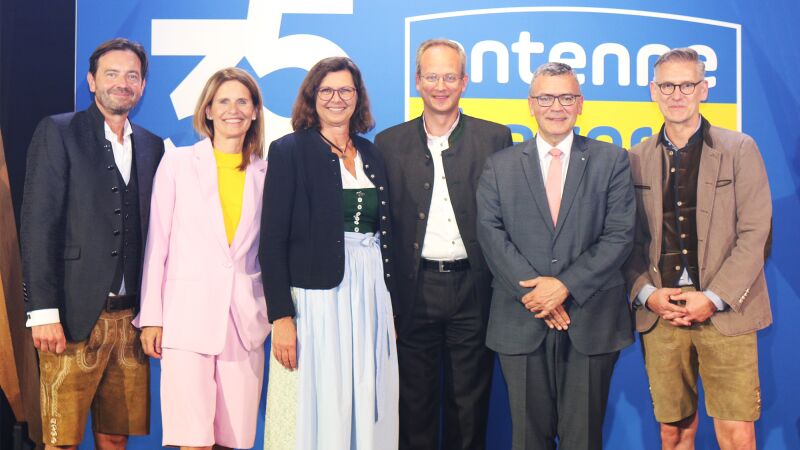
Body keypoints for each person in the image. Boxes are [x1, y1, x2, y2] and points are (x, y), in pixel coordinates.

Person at [476, 61, 635, 450]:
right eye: (546, 97)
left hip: (591, 319)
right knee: (528, 439)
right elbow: (490, 234)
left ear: (580, 104)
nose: (556, 106)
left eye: (566, 97)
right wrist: (537, 295)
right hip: (521, 319)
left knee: (583, 438)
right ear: (530, 104)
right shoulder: (500, 166)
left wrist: (564, 287)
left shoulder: (612, 160)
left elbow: (619, 235)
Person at [625, 48, 772, 450]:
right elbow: (625, 240)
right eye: (667, 85)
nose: (677, 94)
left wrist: (714, 297)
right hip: (662, 313)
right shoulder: (633, 159)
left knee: (737, 433)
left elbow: (756, 232)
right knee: (673, 433)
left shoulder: (739, 148)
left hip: (727, 313)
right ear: (654, 91)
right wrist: (647, 294)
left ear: (703, 89)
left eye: (687, 84)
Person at [20, 38, 164, 449]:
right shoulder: (59, 131)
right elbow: (38, 225)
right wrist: (42, 311)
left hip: (130, 322)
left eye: (132, 76)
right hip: (70, 316)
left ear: (142, 86)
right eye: (112, 74)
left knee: (115, 438)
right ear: (91, 81)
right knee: (60, 441)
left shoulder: (153, 146)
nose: (123, 83)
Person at [374, 38, 512, 450]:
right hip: (413, 291)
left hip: (474, 289)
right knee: (413, 405)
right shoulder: (388, 143)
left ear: (464, 82)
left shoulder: (495, 138)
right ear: (417, 81)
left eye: (449, 76)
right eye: (431, 76)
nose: (440, 85)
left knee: (469, 407)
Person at [260, 57, 398, 450]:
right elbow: (271, 240)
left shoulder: (372, 154)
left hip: (371, 289)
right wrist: (281, 316)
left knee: (368, 390)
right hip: (318, 295)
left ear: (358, 98)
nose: (337, 99)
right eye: (327, 91)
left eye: (346, 90)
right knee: (323, 395)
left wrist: (392, 306)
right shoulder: (288, 150)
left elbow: (387, 232)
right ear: (312, 97)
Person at [133, 67, 270, 449]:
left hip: (244, 324)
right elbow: (157, 244)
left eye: (243, 101)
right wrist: (152, 319)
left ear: (256, 111)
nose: (234, 109)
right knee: (193, 440)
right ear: (207, 110)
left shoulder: (267, 172)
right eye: (223, 101)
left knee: (236, 440)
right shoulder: (177, 163)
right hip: (185, 321)